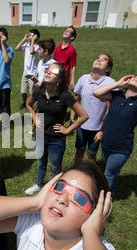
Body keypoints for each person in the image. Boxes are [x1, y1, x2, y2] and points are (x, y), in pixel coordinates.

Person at [24, 62, 88, 195]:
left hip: (56, 141)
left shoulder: (65, 96)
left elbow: (84, 116)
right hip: (40, 136)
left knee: (55, 167)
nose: (47, 72)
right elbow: (28, 104)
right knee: (41, 164)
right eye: (47, 70)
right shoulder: (39, 91)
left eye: (53, 72)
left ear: (59, 80)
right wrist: (35, 118)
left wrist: (68, 130)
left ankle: (54, 188)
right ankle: (38, 184)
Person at [93, 72, 137, 194]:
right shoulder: (117, 95)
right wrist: (118, 83)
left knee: (108, 175)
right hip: (106, 144)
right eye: (136, 76)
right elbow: (96, 93)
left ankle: (104, 201)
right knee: (111, 171)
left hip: (121, 148)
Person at [73, 54, 114, 162]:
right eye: (97, 58)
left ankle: (91, 175)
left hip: (97, 128)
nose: (99, 60)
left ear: (108, 68)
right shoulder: (83, 78)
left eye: (104, 59)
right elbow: (75, 100)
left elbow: (110, 110)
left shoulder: (110, 83)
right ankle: (76, 173)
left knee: (91, 154)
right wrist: (73, 119)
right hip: (81, 125)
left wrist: (102, 130)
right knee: (79, 151)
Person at [24, 38, 56, 136]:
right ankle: (34, 130)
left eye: (40, 49)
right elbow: (41, 76)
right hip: (38, 89)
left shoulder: (53, 64)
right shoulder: (41, 61)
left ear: (46, 51)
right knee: (32, 107)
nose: (37, 51)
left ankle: (34, 131)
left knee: (40, 111)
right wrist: (36, 78)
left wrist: (41, 83)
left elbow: (53, 80)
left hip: (46, 91)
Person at [15, 29, 40, 110]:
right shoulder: (26, 44)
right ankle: (24, 103)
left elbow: (32, 52)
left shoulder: (37, 46)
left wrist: (32, 40)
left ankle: (33, 105)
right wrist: (24, 39)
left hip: (33, 73)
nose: (28, 36)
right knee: (23, 91)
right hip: (25, 72)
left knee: (32, 92)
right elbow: (17, 48)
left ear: (35, 37)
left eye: (30, 35)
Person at [53, 26, 77, 91]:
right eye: (66, 30)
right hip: (54, 77)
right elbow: (53, 62)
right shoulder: (57, 47)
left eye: (69, 31)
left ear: (72, 37)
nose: (66, 31)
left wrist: (72, 81)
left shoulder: (72, 50)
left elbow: (73, 66)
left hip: (63, 80)